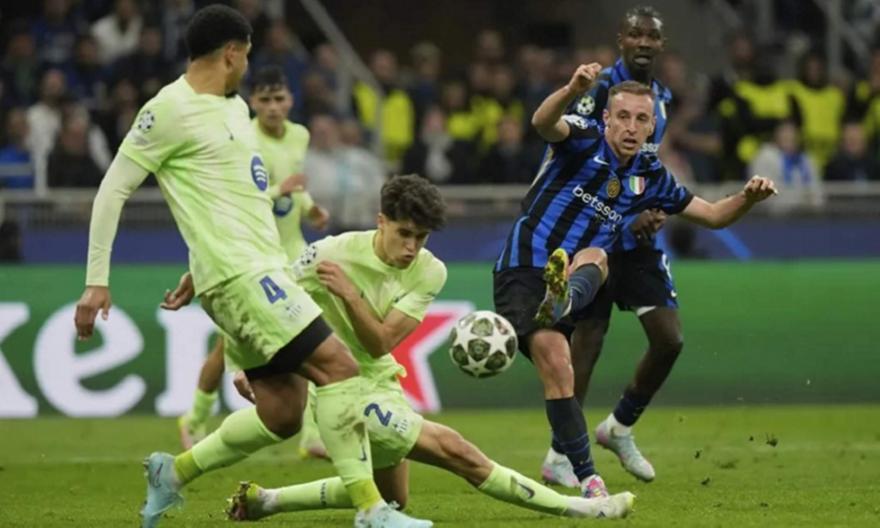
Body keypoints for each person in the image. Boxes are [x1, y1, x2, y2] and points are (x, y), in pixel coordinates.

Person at [72, 6, 430, 528]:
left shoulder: (235, 109)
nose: (247, 66)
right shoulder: (168, 109)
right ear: (232, 52)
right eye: (246, 56)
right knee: (340, 368)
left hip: (254, 268)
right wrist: (96, 282)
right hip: (242, 275)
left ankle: (173, 473)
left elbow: (233, 199)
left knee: (283, 414)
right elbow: (112, 190)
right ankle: (371, 510)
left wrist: (198, 269)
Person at [224, 175, 635, 522]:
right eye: (404, 234)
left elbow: (381, 342)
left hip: (380, 379)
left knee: (394, 497)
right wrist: (247, 366)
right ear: (381, 222)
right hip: (340, 387)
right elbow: (264, 301)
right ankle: (581, 508)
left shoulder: (430, 270)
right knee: (458, 452)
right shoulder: (330, 253)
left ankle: (267, 501)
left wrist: (349, 295)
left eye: (420, 237)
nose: (411, 247)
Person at [493, 64, 777, 499]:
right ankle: (591, 480)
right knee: (560, 365)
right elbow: (542, 123)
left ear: (651, 127)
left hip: (571, 277)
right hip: (524, 269)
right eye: (622, 116)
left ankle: (564, 301)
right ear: (607, 118)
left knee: (597, 261)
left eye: (641, 119)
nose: (630, 126)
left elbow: (713, 215)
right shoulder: (583, 138)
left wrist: (748, 197)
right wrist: (571, 89)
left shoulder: (650, 176)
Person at [542, 5, 680, 486]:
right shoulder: (600, 89)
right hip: (594, 231)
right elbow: (573, 153)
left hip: (635, 236)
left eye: (651, 36)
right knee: (589, 339)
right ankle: (561, 453)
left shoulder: (661, 98)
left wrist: (655, 205)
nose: (643, 42)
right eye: (635, 34)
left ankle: (618, 427)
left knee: (669, 338)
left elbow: (646, 165)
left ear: (661, 44)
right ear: (620, 40)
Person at [177, 65, 331, 459]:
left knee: (318, 334)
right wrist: (282, 189)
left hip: (292, 250)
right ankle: (195, 418)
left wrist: (309, 208)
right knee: (225, 346)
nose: (273, 107)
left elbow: (294, 187)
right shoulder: (243, 138)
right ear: (253, 103)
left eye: (279, 98)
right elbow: (241, 198)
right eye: (265, 99)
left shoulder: (300, 135)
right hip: (250, 255)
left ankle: (312, 435)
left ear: (290, 100)